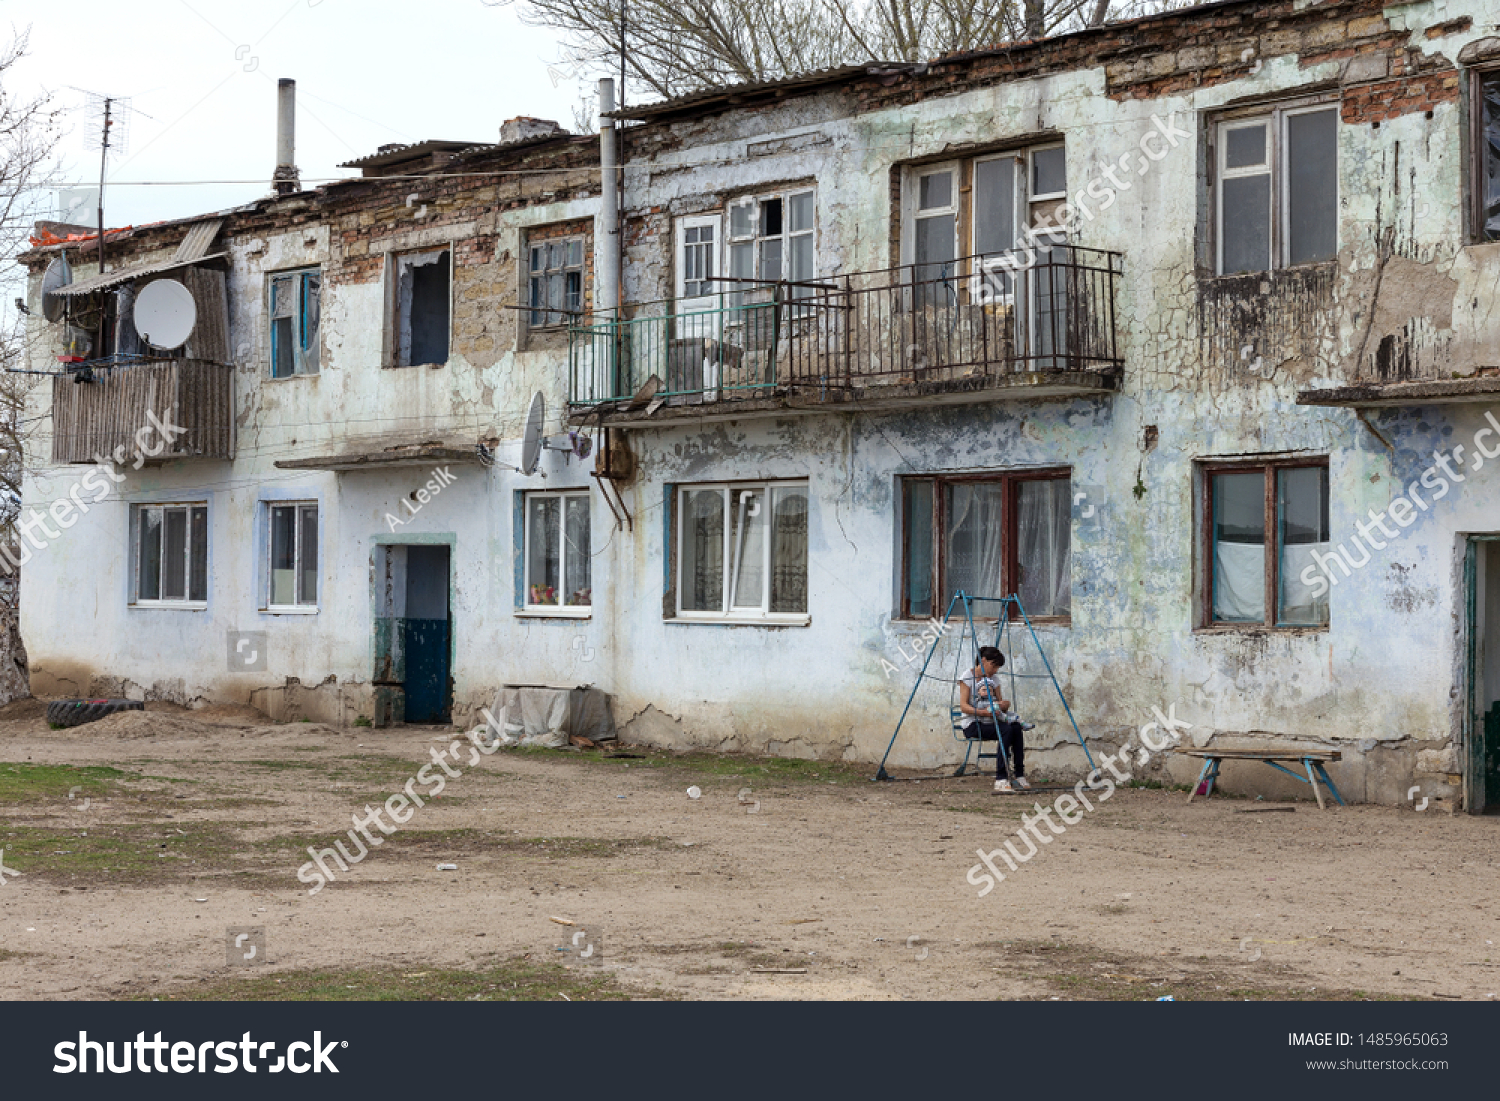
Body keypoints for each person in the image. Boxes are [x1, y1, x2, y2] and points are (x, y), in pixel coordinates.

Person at [957, 646, 1031, 794]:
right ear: (983, 661)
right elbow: (964, 707)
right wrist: (983, 712)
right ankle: (1001, 778)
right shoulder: (967, 677)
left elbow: (999, 705)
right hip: (973, 724)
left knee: (1015, 727)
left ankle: (1019, 774)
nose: (995, 670)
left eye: (997, 667)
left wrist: (1004, 705)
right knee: (1006, 730)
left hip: (991, 721)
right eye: (994, 665)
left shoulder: (994, 680)